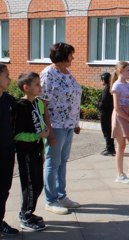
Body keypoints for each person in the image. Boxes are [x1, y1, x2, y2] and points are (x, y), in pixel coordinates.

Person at [41, 42, 82, 215]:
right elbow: (42, 104)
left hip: (68, 124)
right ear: (63, 56)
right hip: (56, 125)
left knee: (63, 161)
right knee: (52, 163)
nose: (73, 57)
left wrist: (76, 122)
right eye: (71, 54)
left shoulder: (67, 73)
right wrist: (48, 131)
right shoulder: (48, 74)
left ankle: (61, 194)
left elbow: (73, 98)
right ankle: (50, 200)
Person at [15, 72, 50, 231]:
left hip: (36, 151)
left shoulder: (38, 103)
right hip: (26, 153)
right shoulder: (20, 107)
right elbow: (18, 134)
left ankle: (29, 211)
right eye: (36, 84)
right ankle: (25, 215)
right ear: (26, 87)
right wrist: (37, 135)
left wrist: (42, 150)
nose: (40, 87)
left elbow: (41, 124)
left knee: (38, 184)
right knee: (29, 186)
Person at [111, 61, 129, 184]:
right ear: (120, 71)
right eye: (128, 70)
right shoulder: (116, 86)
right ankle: (120, 174)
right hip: (121, 117)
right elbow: (117, 108)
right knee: (121, 146)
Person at [0, 64, 19, 235]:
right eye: (6, 75)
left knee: (4, 187)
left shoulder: (8, 100)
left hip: (7, 151)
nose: (9, 79)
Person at [97, 72, 116, 156]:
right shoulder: (111, 87)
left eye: (101, 79)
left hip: (105, 114)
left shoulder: (106, 89)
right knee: (109, 130)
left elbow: (103, 102)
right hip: (110, 112)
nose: (100, 81)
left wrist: (97, 104)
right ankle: (110, 147)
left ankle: (110, 148)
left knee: (106, 131)